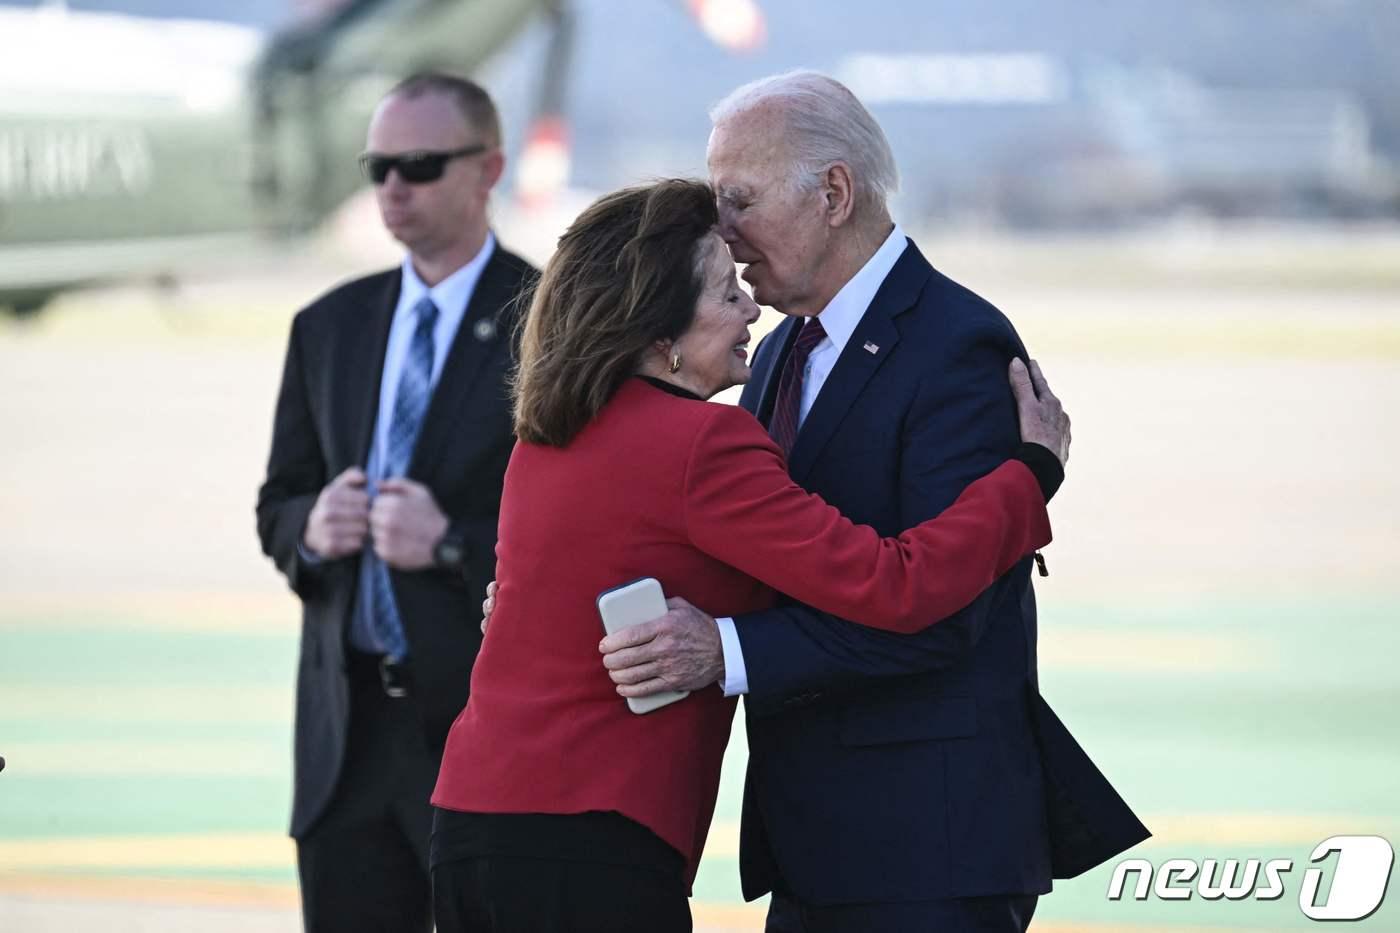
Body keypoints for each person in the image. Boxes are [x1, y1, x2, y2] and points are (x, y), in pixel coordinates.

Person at [429, 178, 1072, 933]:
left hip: (470, 828)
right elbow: (895, 583)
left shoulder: (545, 440)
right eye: (724, 291)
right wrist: (1031, 477)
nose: (752, 310)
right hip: (593, 840)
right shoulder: (704, 443)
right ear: (659, 329)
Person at [599, 72, 1149, 932]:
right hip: (822, 840)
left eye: (738, 199)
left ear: (834, 193)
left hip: (926, 844)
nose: (723, 231)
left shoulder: (956, 343)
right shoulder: (778, 350)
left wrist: (727, 652)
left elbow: (945, 609)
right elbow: (768, 554)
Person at [254, 72, 536, 933]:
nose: (392, 188)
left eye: (416, 163)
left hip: (477, 731)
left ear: (488, 168)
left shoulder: (552, 323)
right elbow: (278, 502)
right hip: (346, 740)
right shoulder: (328, 324)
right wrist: (312, 526)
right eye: (378, 166)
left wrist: (451, 543)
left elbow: (587, 532)